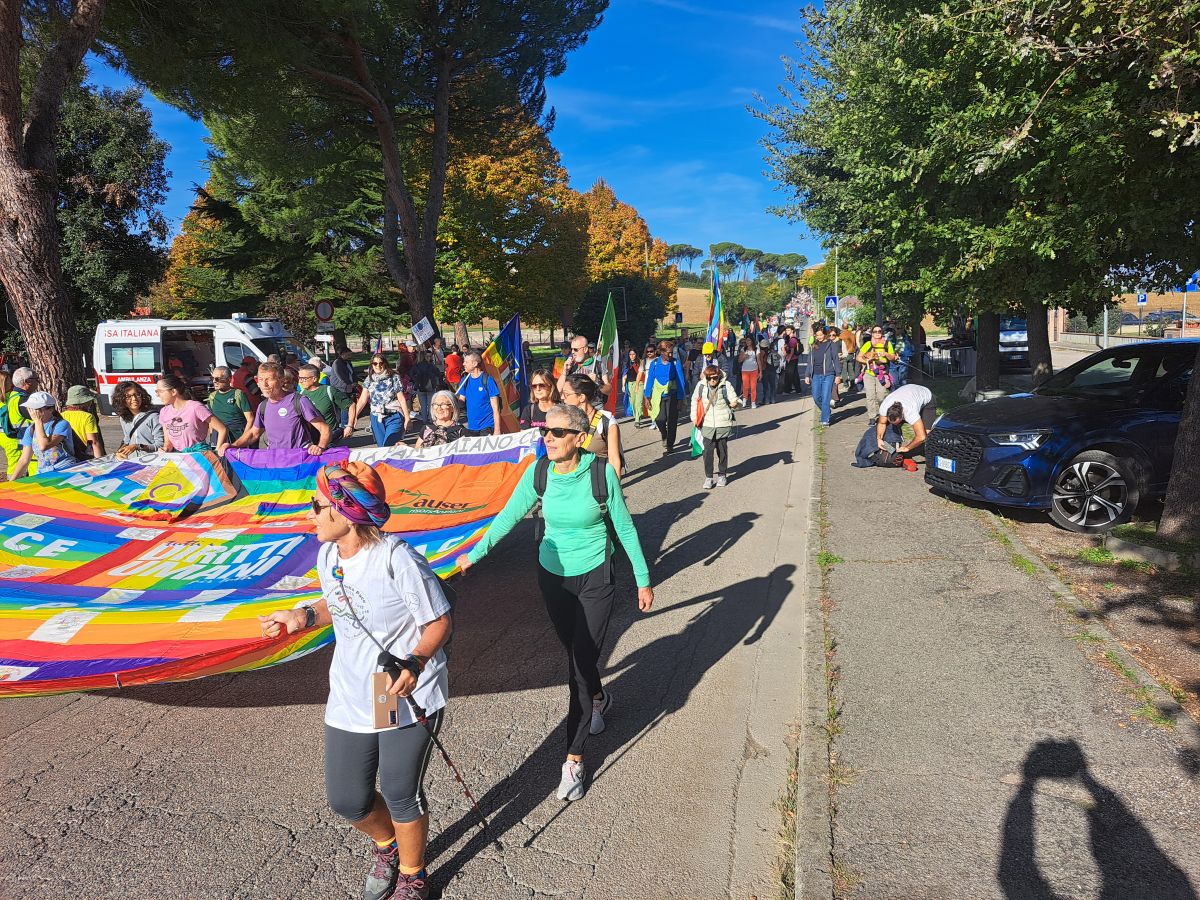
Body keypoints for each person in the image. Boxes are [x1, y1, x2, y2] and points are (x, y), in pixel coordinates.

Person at [259, 462, 452, 900]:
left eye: (317, 505)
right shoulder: (329, 555)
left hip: (393, 688)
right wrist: (301, 616)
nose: (309, 514)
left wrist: (416, 662)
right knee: (348, 799)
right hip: (350, 690)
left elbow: (439, 621)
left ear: (346, 513)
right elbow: (337, 604)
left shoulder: (395, 559)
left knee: (401, 790)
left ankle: (412, 874)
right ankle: (387, 846)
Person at [456, 404, 653, 803]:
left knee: (579, 668)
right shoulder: (539, 472)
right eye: (546, 430)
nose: (549, 437)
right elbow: (508, 516)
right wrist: (475, 554)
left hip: (596, 576)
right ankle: (600, 698)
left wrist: (643, 580)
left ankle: (574, 760)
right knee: (576, 655)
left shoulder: (601, 476)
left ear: (580, 438)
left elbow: (625, 527)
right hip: (553, 576)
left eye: (559, 432)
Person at [232, 362, 330, 454]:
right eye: (261, 379)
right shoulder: (263, 406)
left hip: (299, 461)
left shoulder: (299, 401)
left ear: (281, 380)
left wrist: (320, 447)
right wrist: (233, 446)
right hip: (276, 462)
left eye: (269, 379)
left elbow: (324, 428)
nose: (264, 384)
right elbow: (254, 434)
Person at [561, 373, 624, 478]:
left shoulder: (606, 422)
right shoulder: (564, 421)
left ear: (581, 397)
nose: (562, 398)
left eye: (566, 394)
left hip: (597, 486)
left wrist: (615, 489)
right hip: (571, 485)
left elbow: (613, 460)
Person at [691, 364, 742, 489]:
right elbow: (694, 401)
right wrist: (694, 418)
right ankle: (709, 477)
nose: (712, 381)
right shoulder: (701, 386)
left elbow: (736, 401)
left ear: (719, 376)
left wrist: (736, 404)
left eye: (714, 378)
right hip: (707, 424)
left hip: (723, 423)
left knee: (722, 451)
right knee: (707, 452)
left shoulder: (726, 385)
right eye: (709, 378)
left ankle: (722, 475)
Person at [156, 375, 230, 454]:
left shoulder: (195, 407)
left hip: (199, 456)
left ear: (173, 392)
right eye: (156, 392)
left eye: (160, 391)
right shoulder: (164, 411)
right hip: (177, 458)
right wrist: (165, 449)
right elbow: (168, 444)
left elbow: (222, 429)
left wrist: (217, 452)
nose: (157, 395)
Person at [349, 355, 411, 448]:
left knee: (389, 443)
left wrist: (407, 418)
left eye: (381, 363)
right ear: (371, 365)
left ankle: (404, 453)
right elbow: (362, 400)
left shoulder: (394, 377)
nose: (378, 366)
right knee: (382, 448)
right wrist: (354, 417)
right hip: (376, 417)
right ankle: (389, 462)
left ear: (385, 364)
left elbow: (401, 398)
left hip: (394, 415)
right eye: (375, 363)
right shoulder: (369, 379)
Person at [12, 392, 77, 478]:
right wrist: (13, 481)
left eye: (36, 409)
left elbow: (44, 446)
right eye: (30, 408)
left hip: (64, 469)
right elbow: (24, 460)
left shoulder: (61, 424)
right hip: (42, 472)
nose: (32, 412)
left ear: (50, 409)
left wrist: (38, 421)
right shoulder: (31, 429)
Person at [643, 340, 688, 454]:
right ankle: (664, 434)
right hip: (659, 395)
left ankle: (670, 444)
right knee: (660, 419)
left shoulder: (675, 362)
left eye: (671, 352)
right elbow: (650, 380)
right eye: (668, 352)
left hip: (672, 394)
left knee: (672, 421)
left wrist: (680, 399)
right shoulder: (655, 363)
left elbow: (680, 381)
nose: (670, 355)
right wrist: (647, 397)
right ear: (661, 352)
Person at [875, 383, 936, 457]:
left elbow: (921, 437)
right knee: (889, 427)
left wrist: (907, 448)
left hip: (926, 397)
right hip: (907, 392)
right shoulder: (884, 407)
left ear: (902, 416)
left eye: (897, 422)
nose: (896, 424)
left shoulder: (909, 411)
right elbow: (882, 424)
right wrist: (879, 439)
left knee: (927, 434)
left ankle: (927, 453)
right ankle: (894, 451)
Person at [454, 351, 501, 437]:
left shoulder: (488, 380)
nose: (463, 364)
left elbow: (496, 409)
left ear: (475, 363)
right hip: (471, 427)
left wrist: (497, 430)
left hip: (487, 426)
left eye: (466, 362)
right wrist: (452, 401)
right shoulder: (465, 380)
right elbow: (461, 401)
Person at [1, 367, 37, 477]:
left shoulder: (10, 397)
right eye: (8, 380)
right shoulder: (13, 398)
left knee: (15, 463)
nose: (12, 383)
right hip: (14, 439)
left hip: (8, 437)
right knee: (17, 464)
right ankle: (13, 486)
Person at [112, 381, 163, 458]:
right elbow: (127, 440)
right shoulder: (123, 418)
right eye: (128, 396)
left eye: (137, 395)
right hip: (132, 462)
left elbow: (161, 444)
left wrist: (138, 446)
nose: (134, 399)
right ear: (121, 400)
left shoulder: (154, 416)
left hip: (151, 461)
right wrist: (120, 451)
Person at [857, 327, 898, 420]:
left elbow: (893, 357)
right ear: (872, 333)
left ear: (882, 333)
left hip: (882, 373)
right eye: (875, 331)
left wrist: (886, 354)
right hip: (869, 372)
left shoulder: (887, 344)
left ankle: (882, 414)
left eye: (879, 331)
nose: (877, 333)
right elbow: (858, 357)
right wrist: (867, 361)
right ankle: (872, 417)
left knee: (881, 396)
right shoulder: (868, 344)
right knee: (870, 396)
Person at [207, 367, 254, 445]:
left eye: (218, 379)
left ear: (229, 379)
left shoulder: (238, 394)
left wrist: (244, 439)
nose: (214, 381)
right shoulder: (212, 397)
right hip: (219, 440)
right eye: (212, 378)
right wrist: (213, 440)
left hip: (237, 439)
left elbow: (250, 419)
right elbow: (211, 422)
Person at [805, 324, 840, 427]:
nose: (819, 337)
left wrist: (838, 375)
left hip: (828, 375)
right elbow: (809, 361)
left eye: (821, 335)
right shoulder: (813, 346)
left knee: (826, 398)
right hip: (815, 375)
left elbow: (836, 360)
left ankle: (825, 419)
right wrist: (807, 374)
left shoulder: (831, 345)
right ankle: (826, 411)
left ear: (825, 334)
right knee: (816, 397)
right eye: (817, 335)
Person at [62, 385, 104, 459]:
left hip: (67, 457)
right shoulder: (88, 417)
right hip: (83, 456)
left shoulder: (61, 416)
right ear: (85, 401)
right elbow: (93, 442)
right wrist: (100, 461)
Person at [409, 352, 441, 424]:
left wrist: (416, 381)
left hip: (420, 387)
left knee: (423, 405)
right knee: (430, 404)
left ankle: (424, 420)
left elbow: (411, 375)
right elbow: (438, 374)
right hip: (430, 387)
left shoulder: (416, 366)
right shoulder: (431, 365)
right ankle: (430, 418)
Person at [621, 348, 646, 427]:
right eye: (630, 354)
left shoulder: (641, 362)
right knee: (633, 402)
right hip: (630, 385)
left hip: (640, 384)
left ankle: (637, 420)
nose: (632, 356)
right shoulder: (627, 364)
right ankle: (637, 416)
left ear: (636, 354)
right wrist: (623, 385)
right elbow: (624, 376)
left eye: (633, 354)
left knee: (639, 402)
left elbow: (644, 373)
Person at [738, 336, 760, 408]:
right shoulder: (743, 349)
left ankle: (753, 402)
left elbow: (759, 361)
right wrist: (744, 356)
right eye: (746, 341)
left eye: (749, 340)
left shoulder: (756, 349)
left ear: (752, 341)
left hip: (754, 370)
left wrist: (761, 372)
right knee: (745, 386)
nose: (747, 342)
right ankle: (744, 400)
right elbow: (739, 360)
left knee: (753, 387)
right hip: (745, 370)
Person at [760, 338, 780, 406]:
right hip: (773, 370)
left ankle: (766, 400)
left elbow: (761, 362)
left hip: (765, 370)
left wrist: (760, 371)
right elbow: (779, 357)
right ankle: (773, 399)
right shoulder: (772, 351)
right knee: (773, 385)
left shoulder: (761, 352)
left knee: (765, 386)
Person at [783, 326, 801, 394]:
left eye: (788, 330)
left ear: (792, 331)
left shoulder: (792, 339)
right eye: (786, 330)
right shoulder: (791, 338)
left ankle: (787, 390)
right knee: (794, 374)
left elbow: (792, 350)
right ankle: (798, 389)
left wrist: (788, 358)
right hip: (794, 358)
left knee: (789, 375)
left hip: (792, 359)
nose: (787, 331)